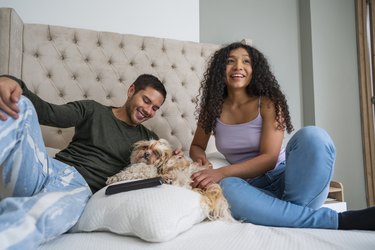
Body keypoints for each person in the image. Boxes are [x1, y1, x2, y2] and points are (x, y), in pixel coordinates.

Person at [189, 41, 375, 230]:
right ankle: (337, 220)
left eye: (246, 61)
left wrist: (219, 172)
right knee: (228, 188)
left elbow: (269, 159)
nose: (238, 67)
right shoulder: (212, 108)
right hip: (253, 189)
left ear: (255, 70)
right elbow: (196, 146)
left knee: (314, 136)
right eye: (230, 61)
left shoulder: (269, 103)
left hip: (289, 179)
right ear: (221, 68)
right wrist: (202, 161)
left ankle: (284, 214)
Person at [0, 73, 167, 249]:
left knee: (35, 217)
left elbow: (162, 168)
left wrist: (174, 160)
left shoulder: (149, 140)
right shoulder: (93, 109)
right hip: (47, 168)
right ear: (131, 90)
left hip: (79, 187)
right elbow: (49, 113)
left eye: (155, 108)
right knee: (20, 104)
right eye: (146, 101)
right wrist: (12, 82)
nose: (148, 111)